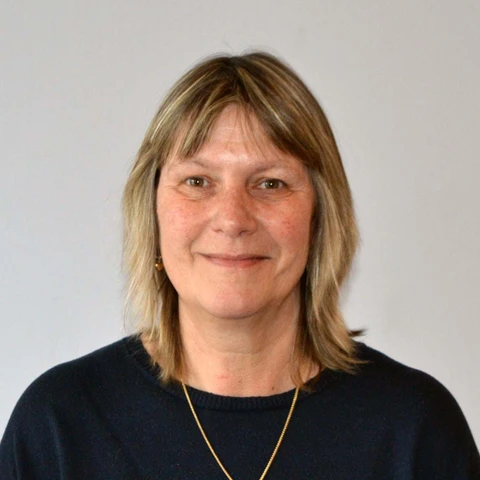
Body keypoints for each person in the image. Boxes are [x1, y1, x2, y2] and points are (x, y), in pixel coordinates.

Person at [1, 52, 479, 480]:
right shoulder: (59, 426)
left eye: (270, 184)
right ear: (152, 211)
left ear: (319, 217)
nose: (232, 219)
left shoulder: (415, 429)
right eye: (197, 181)